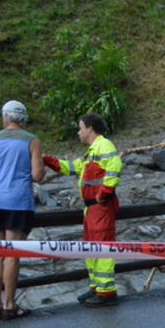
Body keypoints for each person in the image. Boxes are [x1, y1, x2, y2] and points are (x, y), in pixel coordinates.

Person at [44, 113, 123, 307]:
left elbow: (115, 167)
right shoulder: (92, 152)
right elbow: (73, 167)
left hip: (100, 207)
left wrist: (103, 193)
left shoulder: (104, 146)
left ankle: (106, 293)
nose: (78, 132)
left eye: (80, 128)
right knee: (92, 248)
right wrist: (48, 160)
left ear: (90, 128)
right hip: (93, 208)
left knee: (102, 247)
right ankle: (97, 287)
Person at [0, 100, 45, 321]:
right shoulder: (31, 140)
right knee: (12, 254)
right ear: (23, 119)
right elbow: (37, 175)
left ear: (5, 118)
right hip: (17, 200)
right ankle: (10, 304)